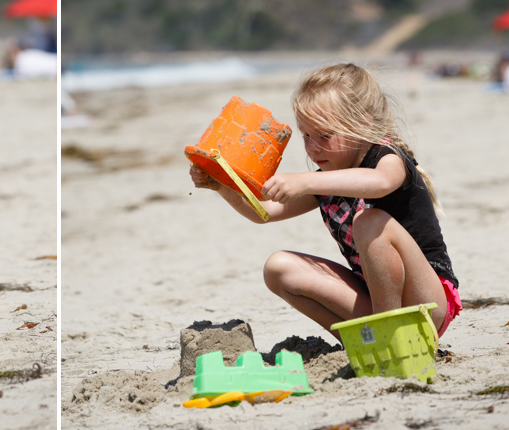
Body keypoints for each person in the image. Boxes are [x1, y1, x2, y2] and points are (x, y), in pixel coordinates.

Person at [190, 62, 461, 339]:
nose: (313, 147)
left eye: (325, 135)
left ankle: (388, 335)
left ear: (362, 124)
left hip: (426, 302)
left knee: (368, 222)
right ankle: (364, 342)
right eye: (306, 136)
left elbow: (380, 184)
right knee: (278, 268)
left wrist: (306, 181)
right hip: (377, 299)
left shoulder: (387, 158)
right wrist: (222, 186)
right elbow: (265, 212)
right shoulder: (327, 179)